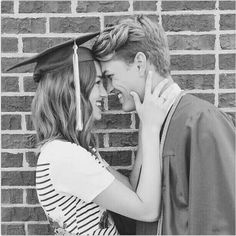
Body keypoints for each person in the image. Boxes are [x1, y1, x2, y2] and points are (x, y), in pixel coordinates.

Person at [7, 32, 178, 235]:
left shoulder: (75, 151)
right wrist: (150, 130)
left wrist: (145, 124)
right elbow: (147, 210)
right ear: (74, 91)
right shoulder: (65, 157)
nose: (104, 93)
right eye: (97, 83)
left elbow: (132, 189)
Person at [92, 15, 235, 235]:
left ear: (140, 64)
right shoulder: (151, 124)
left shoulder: (201, 120)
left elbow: (219, 223)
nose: (109, 88)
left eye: (110, 76)